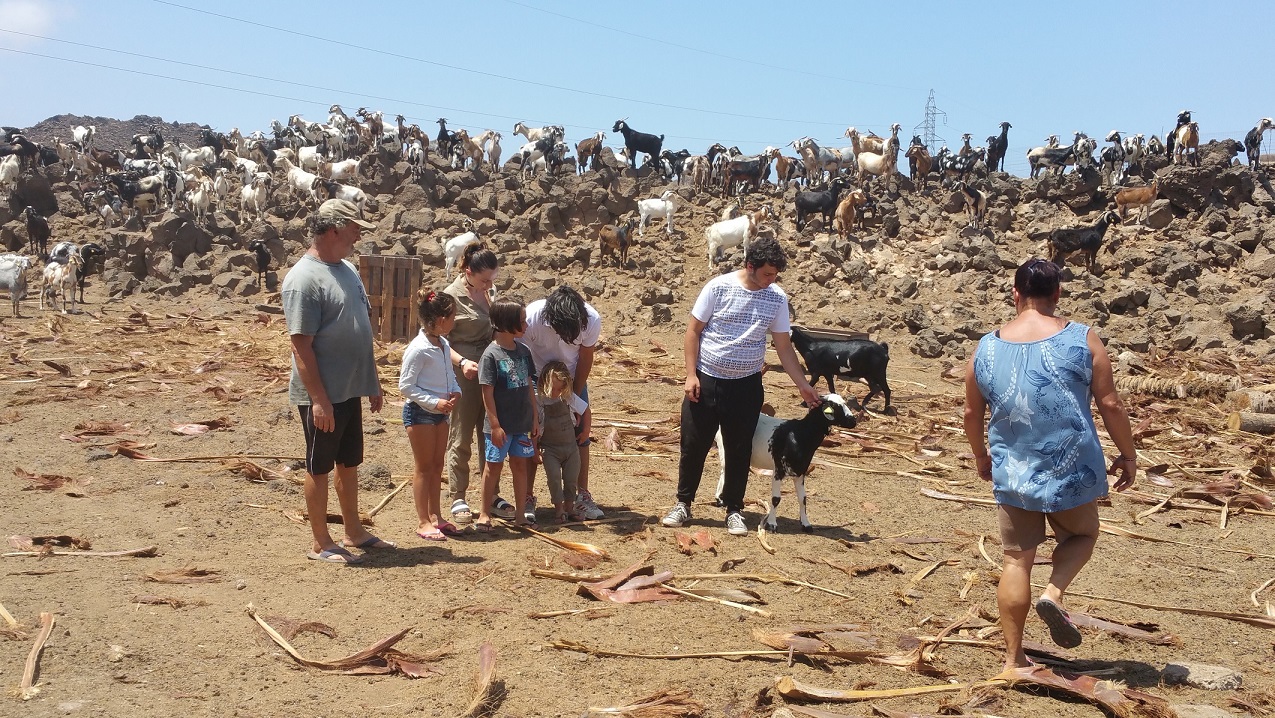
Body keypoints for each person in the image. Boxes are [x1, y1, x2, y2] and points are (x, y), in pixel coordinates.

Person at [963, 257, 1137, 673]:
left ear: (1015, 294)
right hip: (1070, 467)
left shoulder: (986, 347)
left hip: (1013, 469)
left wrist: (981, 457)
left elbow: (971, 414)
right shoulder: (1082, 338)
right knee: (1083, 535)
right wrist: (1128, 455)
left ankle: (1012, 659)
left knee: (1016, 560)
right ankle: (1054, 594)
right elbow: (1110, 402)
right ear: (1058, 294)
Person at [662, 237, 821, 536]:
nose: (771, 281)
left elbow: (784, 347)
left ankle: (734, 509)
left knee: (739, 447)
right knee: (694, 444)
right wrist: (690, 375)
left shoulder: (776, 298)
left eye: (775, 275)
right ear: (750, 266)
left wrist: (802, 385)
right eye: (767, 274)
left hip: (746, 386)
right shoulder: (718, 288)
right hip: (707, 379)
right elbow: (693, 332)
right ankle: (683, 503)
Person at [282, 198, 393, 564]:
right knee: (320, 465)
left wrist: (371, 379)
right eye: (354, 228)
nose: (358, 234)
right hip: (324, 393)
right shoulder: (303, 279)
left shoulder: (346, 268)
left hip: (349, 388)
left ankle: (354, 530)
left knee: (349, 461)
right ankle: (321, 542)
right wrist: (318, 400)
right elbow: (301, 345)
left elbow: (360, 327)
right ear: (333, 230)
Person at [522, 286, 603, 520]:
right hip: (537, 378)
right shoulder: (533, 317)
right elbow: (522, 356)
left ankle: (581, 496)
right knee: (533, 434)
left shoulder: (591, 319)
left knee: (580, 436)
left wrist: (573, 397)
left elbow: (586, 358)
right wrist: (531, 394)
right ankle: (527, 496)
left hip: (570, 378)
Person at [441, 243, 505, 524]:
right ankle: (458, 496)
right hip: (464, 376)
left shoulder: (487, 294)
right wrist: (462, 362)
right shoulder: (450, 297)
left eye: (492, 279)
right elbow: (439, 339)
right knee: (462, 434)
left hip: (489, 373)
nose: (489, 284)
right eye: (484, 280)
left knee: (490, 433)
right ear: (468, 271)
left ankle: (490, 495)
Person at [399, 289, 463, 541]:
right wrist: (433, 402)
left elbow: (449, 374)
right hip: (421, 414)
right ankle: (423, 520)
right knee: (423, 467)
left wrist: (455, 392)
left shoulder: (443, 344)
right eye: (452, 317)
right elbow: (405, 385)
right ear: (439, 320)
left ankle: (436, 515)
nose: (454, 321)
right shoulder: (418, 349)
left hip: (440, 413)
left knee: (437, 466)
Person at [475, 297, 539, 531]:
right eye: (522, 321)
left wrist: (534, 418)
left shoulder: (524, 351)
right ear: (506, 323)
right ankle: (484, 512)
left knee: (520, 466)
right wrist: (494, 425)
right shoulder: (491, 356)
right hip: (499, 426)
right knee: (493, 467)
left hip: (521, 423)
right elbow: (487, 393)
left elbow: (530, 387)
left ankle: (521, 514)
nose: (526, 325)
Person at [535, 360, 587, 523]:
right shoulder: (539, 400)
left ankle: (570, 507)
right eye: (553, 388)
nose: (556, 393)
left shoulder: (568, 397)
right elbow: (535, 427)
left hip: (571, 448)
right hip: (550, 449)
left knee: (571, 478)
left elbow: (586, 410)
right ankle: (559, 509)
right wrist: (535, 449)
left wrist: (586, 430)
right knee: (554, 478)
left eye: (560, 389)